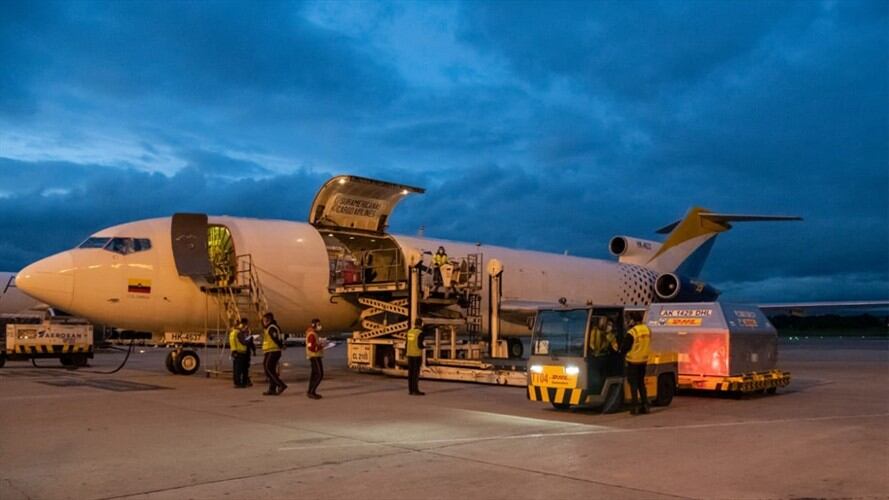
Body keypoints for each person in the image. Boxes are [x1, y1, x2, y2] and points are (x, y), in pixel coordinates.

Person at [622, 312, 652, 415]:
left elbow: (625, 347)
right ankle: (645, 405)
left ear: (632, 320)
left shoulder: (632, 332)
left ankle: (634, 407)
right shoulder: (647, 330)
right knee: (641, 384)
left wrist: (620, 352)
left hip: (633, 361)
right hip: (643, 361)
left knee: (633, 385)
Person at [261, 312, 287, 396]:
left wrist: (281, 345)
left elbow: (275, 338)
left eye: (264, 320)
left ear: (268, 320)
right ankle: (272, 389)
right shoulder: (269, 328)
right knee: (270, 370)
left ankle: (281, 385)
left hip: (273, 351)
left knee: (268, 369)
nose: (263, 322)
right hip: (270, 351)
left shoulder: (271, 328)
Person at [229, 318, 252, 388]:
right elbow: (244, 342)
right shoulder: (239, 333)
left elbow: (233, 342)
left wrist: (233, 351)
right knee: (240, 369)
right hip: (240, 352)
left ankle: (238, 382)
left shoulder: (233, 332)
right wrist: (250, 338)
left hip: (236, 352)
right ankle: (239, 383)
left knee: (237, 369)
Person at [305, 318, 324, 399]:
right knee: (320, 374)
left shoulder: (314, 334)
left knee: (314, 375)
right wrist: (320, 346)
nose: (320, 326)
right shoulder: (312, 334)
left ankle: (310, 391)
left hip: (315, 356)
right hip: (314, 356)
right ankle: (312, 391)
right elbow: (311, 347)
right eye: (318, 324)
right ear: (314, 325)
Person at [405, 319, 425, 396]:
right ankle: (415, 390)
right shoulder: (420, 333)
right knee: (416, 374)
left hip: (409, 354)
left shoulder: (409, 332)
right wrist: (425, 347)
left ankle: (410, 390)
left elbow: (406, 344)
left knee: (410, 373)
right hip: (416, 355)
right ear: (421, 324)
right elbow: (420, 345)